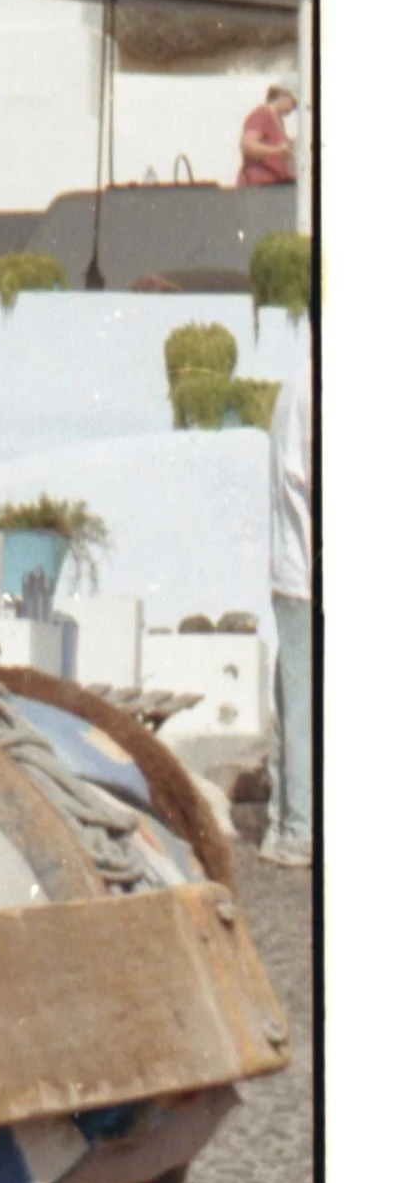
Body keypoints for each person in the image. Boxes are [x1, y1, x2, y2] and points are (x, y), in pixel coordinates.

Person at [264, 338, 313, 864]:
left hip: (290, 572)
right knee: (304, 708)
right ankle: (300, 830)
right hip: (309, 576)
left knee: (291, 701)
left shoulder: (292, 386)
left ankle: (283, 824)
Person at [238, 86, 297, 189]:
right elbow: (247, 145)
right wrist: (277, 151)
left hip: (275, 182)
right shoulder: (262, 114)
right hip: (260, 184)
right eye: (293, 103)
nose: (293, 108)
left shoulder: (278, 120)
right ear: (282, 98)